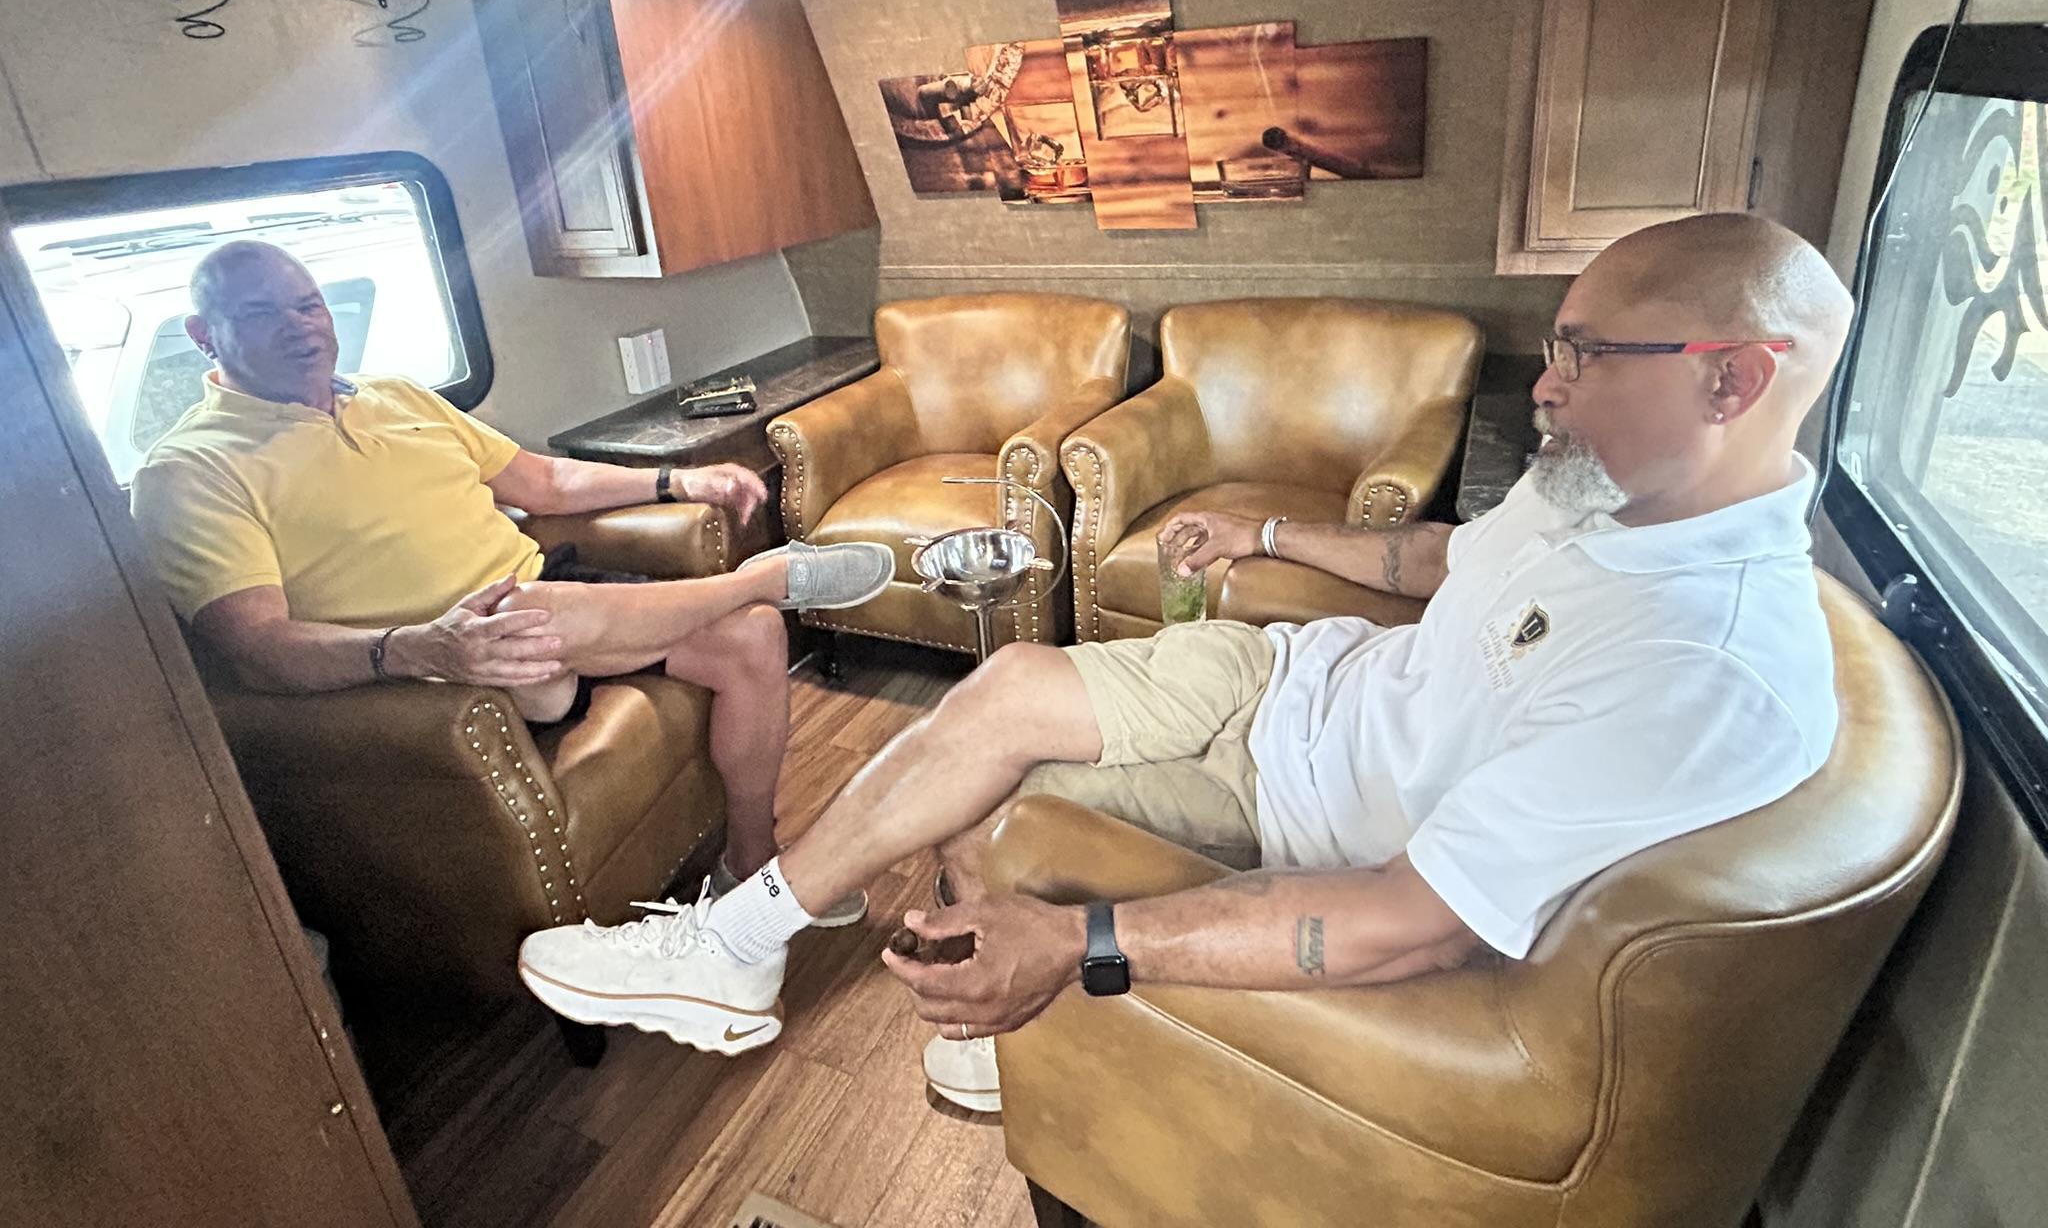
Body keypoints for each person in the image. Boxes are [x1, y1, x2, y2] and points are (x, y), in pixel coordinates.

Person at [518, 213, 1855, 1116]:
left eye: (1586, 353)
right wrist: (1267, 535)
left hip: (1290, 804)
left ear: (1732, 381)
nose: (1547, 385)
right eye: (1556, 348)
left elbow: (1407, 923)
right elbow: (1442, 559)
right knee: (1005, 691)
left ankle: (948, 1012)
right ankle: (742, 943)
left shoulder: (1699, 668)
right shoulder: (1605, 494)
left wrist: (1080, 943)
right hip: (1290, 678)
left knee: (997, 808)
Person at [129, 239, 895, 909]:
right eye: (261, 313)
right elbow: (256, 647)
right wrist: (415, 646)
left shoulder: (393, 395)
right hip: (436, 664)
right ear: (203, 335)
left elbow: (545, 483)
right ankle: (767, 576)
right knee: (525, 612)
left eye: (308, 305)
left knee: (752, 637)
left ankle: (749, 863)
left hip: (550, 604)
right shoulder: (191, 470)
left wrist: (677, 480)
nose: (299, 326)